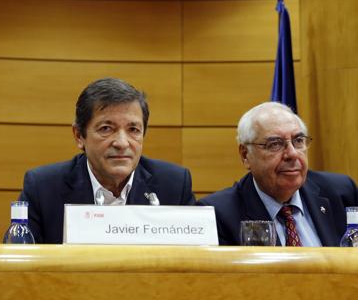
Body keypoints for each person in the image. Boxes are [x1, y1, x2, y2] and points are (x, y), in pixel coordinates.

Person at [20, 77, 196, 244]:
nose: (121, 142)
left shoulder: (174, 185)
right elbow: (25, 270)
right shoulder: (43, 188)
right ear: (79, 135)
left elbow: (196, 264)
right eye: (106, 128)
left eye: (133, 129)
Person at [199, 102, 358, 246]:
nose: (292, 154)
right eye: (275, 144)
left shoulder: (341, 193)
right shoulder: (217, 215)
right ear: (245, 155)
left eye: (298, 141)